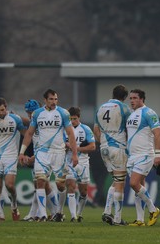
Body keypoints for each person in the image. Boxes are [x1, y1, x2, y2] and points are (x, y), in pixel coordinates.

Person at [19, 89, 78, 222]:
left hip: (58, 153)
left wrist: (74, 154)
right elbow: (29, 133)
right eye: (51, 99)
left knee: (60, 185)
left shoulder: (63, 113)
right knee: (40, 182)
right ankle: (42, 214)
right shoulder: (37, 114)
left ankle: (59, 211)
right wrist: (22, 152)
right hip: (42, 153)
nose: (54, 102)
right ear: (45, 100)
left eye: (55, 99)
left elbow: (70, 134)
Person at [93, 84, 131, 226]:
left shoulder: (100, 108)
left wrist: (103, 142)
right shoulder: (124, 108)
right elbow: (129, 129)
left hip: (104, 148)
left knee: (115, 180)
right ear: (125, 97)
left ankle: (107, 211)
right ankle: (118, 218)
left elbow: (95, 129)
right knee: (120, 182)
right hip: (118, 147)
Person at [126, 88, 160, 226]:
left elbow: (158, 134)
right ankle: (140, 219)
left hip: (145, 154)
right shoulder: (131, 115)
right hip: (132, 156)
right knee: (138, 188)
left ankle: (153, 209)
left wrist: (158, 154)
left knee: (134, 184)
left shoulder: (149, 113)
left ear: (142, 99)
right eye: (131, 98)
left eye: (135, 98)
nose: (132, 101)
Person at [21, 99, 58, 221]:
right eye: (28, 112)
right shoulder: (34, 122)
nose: (30, 114)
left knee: (40, 184)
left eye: (32, 112)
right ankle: (54, 212)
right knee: (43, 185)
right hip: (39, 156)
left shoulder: (45, 121)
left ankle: (36, 214)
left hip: (47, 156)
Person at [65, 107, 96, 222]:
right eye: (71, 119)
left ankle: (79, 213)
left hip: (83, 162)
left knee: (83, 192)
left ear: (79, 118)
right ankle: (73, 216)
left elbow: (93, 146)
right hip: (69, 161)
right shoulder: (65, 129)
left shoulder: (86, 129)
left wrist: (76, 148)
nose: (73, 121)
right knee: (70, 185)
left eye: (75, 118)